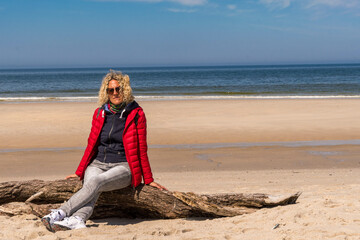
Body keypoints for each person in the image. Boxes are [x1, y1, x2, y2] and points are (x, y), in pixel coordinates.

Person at [41, 70, 166, 232]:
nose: (115, 93)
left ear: (125, 89)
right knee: (90, 182)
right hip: (98, 163)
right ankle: (79, 219)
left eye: (118, 89)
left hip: (123, 167)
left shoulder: (136, 114)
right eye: (110, 90)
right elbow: (91, 144)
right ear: (106, 93)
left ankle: (60, 213)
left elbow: (142, 148)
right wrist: (79, 172)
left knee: (95, 182)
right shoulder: (100, 113)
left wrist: (148, 179)